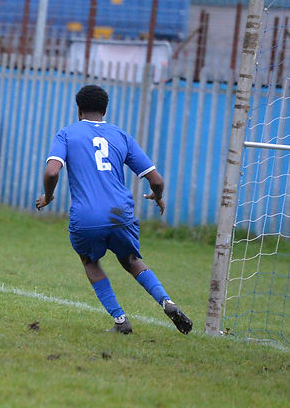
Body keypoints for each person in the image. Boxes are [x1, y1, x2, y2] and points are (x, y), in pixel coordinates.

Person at [35, 84, 192, 335]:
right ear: (105, 110)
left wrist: (49, 196)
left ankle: (121, 321)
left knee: (90, 261)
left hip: (87, 216)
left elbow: (52, 170)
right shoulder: (121, 135)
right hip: (120, 213)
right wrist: (158, 197)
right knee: (131, 260)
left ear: (79, 109)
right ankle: (167, 302)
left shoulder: (67, 134)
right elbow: (157, 180)